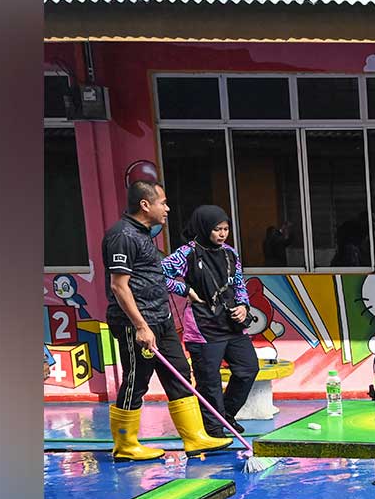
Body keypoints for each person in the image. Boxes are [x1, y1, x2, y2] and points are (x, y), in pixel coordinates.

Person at [103, 180, 233, 461]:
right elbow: (119, 286)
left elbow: (153, 275)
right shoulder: (122, 236)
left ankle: (195, 437)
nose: (167, 208)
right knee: (137, 379)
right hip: (136, 323)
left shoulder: (143, 234)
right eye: (163, 202)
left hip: (160, 317)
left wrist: (185, 290)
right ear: (145, 204)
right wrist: (140, 326)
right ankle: (125, 444)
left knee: (179, 371)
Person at [161, 205, 260, 439]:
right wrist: (184, 289)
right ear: (205, 228)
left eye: (226, 229)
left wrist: (244, 308)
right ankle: (214, 431)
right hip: (203, 325)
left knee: (248, 369)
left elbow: (238, 283)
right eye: (217, 229)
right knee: (209, 381)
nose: (222, 234)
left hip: (231, 323)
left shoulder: (229, 253)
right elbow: (158, 274)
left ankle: (225, 414)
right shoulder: (187, 253)